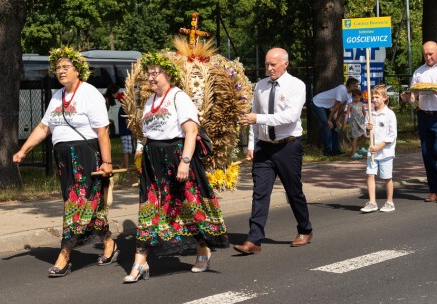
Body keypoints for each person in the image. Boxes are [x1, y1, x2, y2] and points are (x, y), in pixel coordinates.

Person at [123, 52, 229, 283]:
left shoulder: (179, 97)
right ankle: (140, 261)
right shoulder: (150, 102)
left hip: (176, 157)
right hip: (154, 161)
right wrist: (142, 153)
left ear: (168, 74)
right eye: (148, 74)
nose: (150, 78)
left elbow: (191, 131)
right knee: (150, 208)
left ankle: (203, 250)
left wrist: (185, 161)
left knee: (187, 205)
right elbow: (147, 133)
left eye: (155, 73)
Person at [13, 46, 117, 277]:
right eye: (58, 68)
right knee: (88, 205)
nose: (60, 71)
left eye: (65, 67)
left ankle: (65, 254)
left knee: (76, 204)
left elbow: (102, 132)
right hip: (64, 158)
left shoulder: (90, 94)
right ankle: (109, 243)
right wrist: (24, 150)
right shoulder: (57, 96)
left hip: (85, 157)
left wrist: (107, 163)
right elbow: (43, 127)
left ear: (77, 70)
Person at [237, 48, 312, 254]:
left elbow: (290, 116)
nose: (269, 68)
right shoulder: (260, 86)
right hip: (264, 147)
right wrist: (252, 145)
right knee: (260, 193)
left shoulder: (296, 85)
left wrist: (258, 119)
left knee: (294, 191)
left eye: (273, 65)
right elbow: (254, 117)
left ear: (285, 64)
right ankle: (254, 240)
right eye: (267, 64)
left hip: (288, 146)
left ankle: (305, 229)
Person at [400, 40, 437, 202]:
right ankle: (433, 190)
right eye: (425, 54)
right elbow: (413, 96)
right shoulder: (418, 72)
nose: (428, 57)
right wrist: (407, 98)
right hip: (424, 116)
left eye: (431, 54)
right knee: (427, 153)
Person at [360, 85, 397, 213]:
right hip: (373, 152)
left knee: (387, 177)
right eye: (373, 97)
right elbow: (366, 133)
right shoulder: (371, 113)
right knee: (370, 174)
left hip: (385, 151)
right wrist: (367, 129)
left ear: (385, 98)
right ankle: (372, 202)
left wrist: (379, 147)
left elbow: (392, 135)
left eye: (377, 97)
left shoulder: (389, 114)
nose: (374, 100)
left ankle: (390, 202)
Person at [311, 77, 360, 156]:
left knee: (334, 128)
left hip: (325, 106)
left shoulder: (349, 94)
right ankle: (327, 151)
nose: (356, 88)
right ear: (350, 85)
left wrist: (336, 120)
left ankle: (335, 150)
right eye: (355, 86)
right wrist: (329, 120)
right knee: (327, 126)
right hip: (317, 103)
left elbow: (342, 107)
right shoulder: (342, 89)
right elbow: (336, 106)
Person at [343, 88, 367, 159]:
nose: (357, 99)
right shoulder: (350, 105)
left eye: (358, 98)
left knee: (365, 134)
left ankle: (361, 148)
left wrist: (366, 119)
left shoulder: (361, 104)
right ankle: (353, 153)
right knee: (355, 137)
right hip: (354, 123)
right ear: (352, 97)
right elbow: (347, 114)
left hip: (361, 122)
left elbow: (364, 112)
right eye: (355, 98)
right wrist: (344, 123)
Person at [118, 97, 133, 168]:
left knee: (126, 149)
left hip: (124, 132)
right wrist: (132, 130)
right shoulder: (124, 109)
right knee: (126, 151)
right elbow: (128, 122)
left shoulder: (122, 108)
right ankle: (126, 168)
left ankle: (121, 166)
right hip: (125, 132)